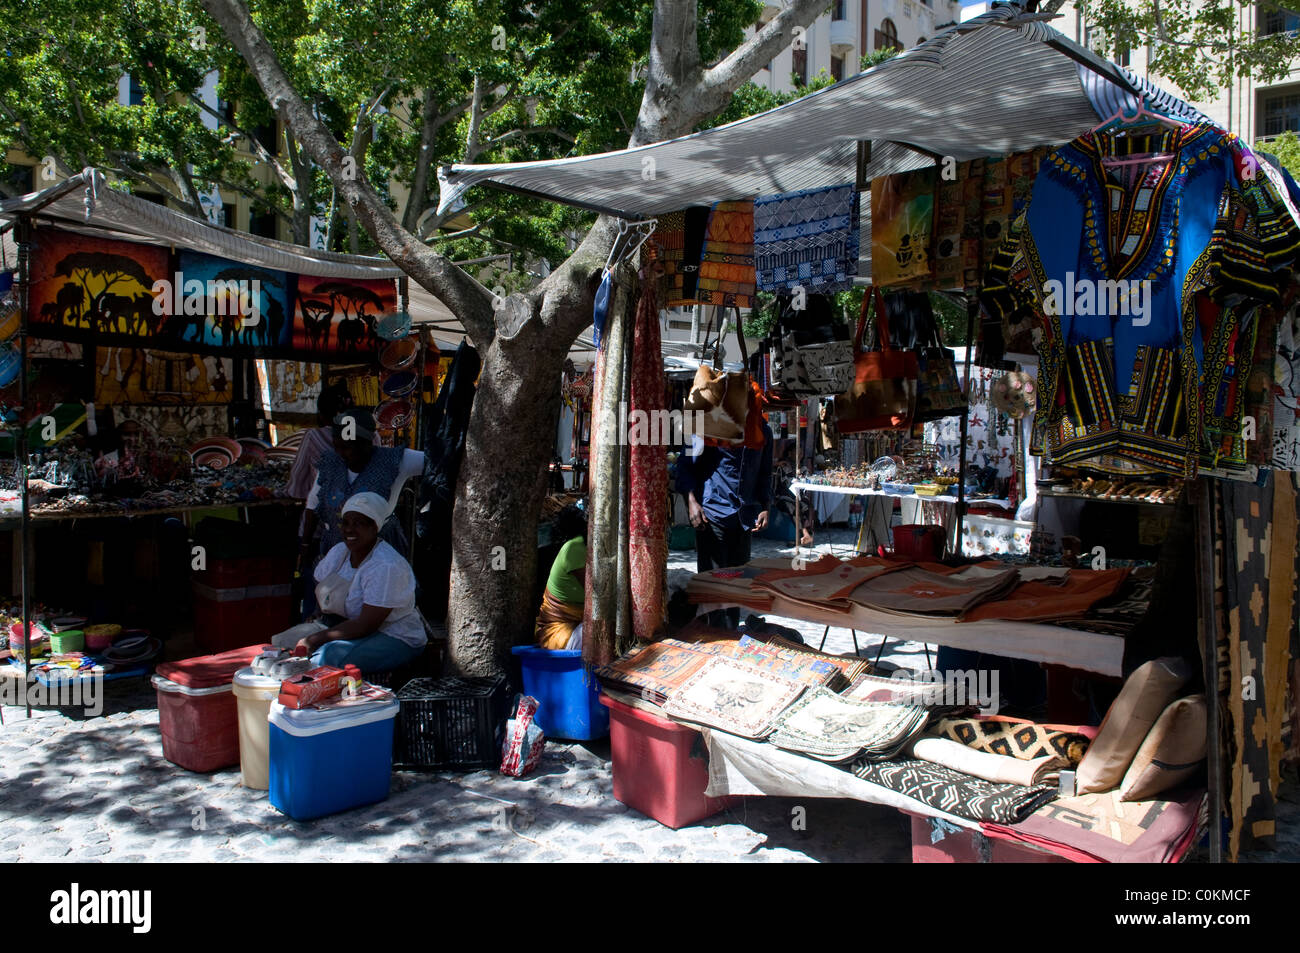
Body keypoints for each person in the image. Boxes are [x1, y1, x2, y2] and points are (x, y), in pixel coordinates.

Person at [274, 492, 427, 672]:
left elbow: (366, 625)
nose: (349, 529)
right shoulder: (340, 552)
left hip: (394, 635)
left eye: (359, 523)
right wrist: (318, 617)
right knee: (281, 644)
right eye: (345, 523)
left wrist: (315, 639)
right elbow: (321, 586)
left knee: (326, 657)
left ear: (375, 527)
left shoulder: (386, 565)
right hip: (348, 626)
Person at [298, 408, 424, 581]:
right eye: (337, 447)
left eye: (347, 448)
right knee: (337, 599)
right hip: (337, 548)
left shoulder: (396, 460)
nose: (341, 454)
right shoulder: (331, 462)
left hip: (380, 550)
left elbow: (437, 464)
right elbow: (312, 505)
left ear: (367, 443)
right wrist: (305, 544)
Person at [675, 420, 774, 628]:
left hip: (745, 517)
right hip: (713, 514)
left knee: (736, 585)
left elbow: (764, 471)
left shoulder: (763, 430)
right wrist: (692, 502)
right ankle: (716, 638)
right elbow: (685, 464)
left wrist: (765, 505)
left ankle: (728, 637)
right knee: (714, 587)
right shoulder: (709, 424)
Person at [535, 504, 588, 650]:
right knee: (603, 631)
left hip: (576, 626)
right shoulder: (575, 549)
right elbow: (599, 594)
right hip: (557, 633)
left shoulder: (580, 547)